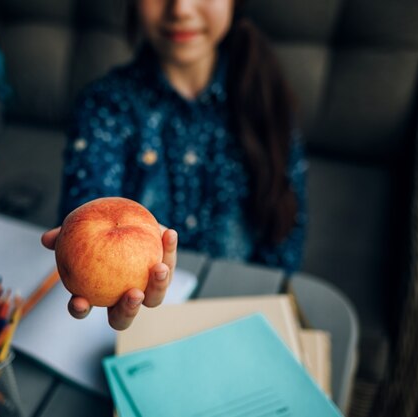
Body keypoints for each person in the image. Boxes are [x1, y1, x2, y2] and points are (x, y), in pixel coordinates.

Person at [42, 0, 307, 330]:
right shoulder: (106, 105)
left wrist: (267, 302)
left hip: (241, 312)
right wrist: (81, 239)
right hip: (143, 320)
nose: (180, 9)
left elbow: (286, 229)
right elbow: (89, 200)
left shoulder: (266, 97)